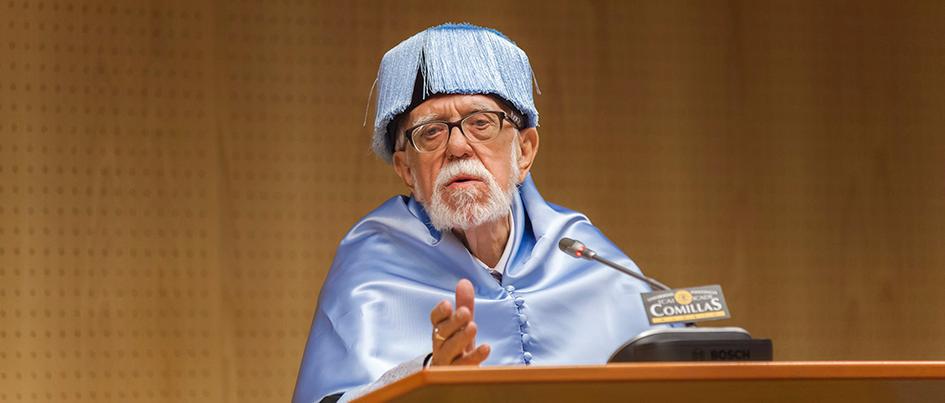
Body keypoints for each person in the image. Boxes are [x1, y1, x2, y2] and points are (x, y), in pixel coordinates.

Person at [293, 23, 659, 403]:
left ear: (525, 151)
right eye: (430, 132)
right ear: (406, 170)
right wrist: (426, 378)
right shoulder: (372, 264)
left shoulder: (583, 255)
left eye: (480, 123)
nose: (457, 147)